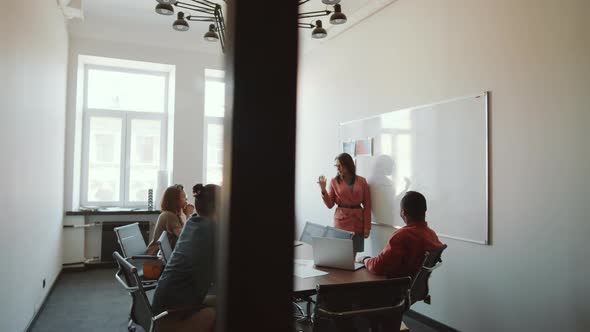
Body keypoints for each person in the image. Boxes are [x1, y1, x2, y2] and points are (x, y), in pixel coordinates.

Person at [151, 183, 220, 332]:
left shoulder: (193, 223)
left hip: (161, 310)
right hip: (171, 319)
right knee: (229, 309)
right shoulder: (212, 230)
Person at [358, 191, 443, 278]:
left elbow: (377, 267)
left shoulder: (403, 235)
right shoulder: (432, 235)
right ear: (425, 211)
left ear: (403, 213)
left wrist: (365, 259)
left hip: (397, 286)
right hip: (414, 288)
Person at [318, 152, 371, 252]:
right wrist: (323, 190)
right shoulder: (334, 181)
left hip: (358, 221)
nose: (338, 168)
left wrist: (367, 227)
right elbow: (330, 205)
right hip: (341, 222)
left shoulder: (362, 181)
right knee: (341, 253)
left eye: (340, 166)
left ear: (348, 165)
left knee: (353, 253)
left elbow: (367, 205)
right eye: (336, 166)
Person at [146, 184, 194, 256]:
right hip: (156, 258)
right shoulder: (169, 216)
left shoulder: (171, 214)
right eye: (184, 197)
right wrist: (188, 215)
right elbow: (185, 237)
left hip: (161, 255)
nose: (186, 199)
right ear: (175, 200)